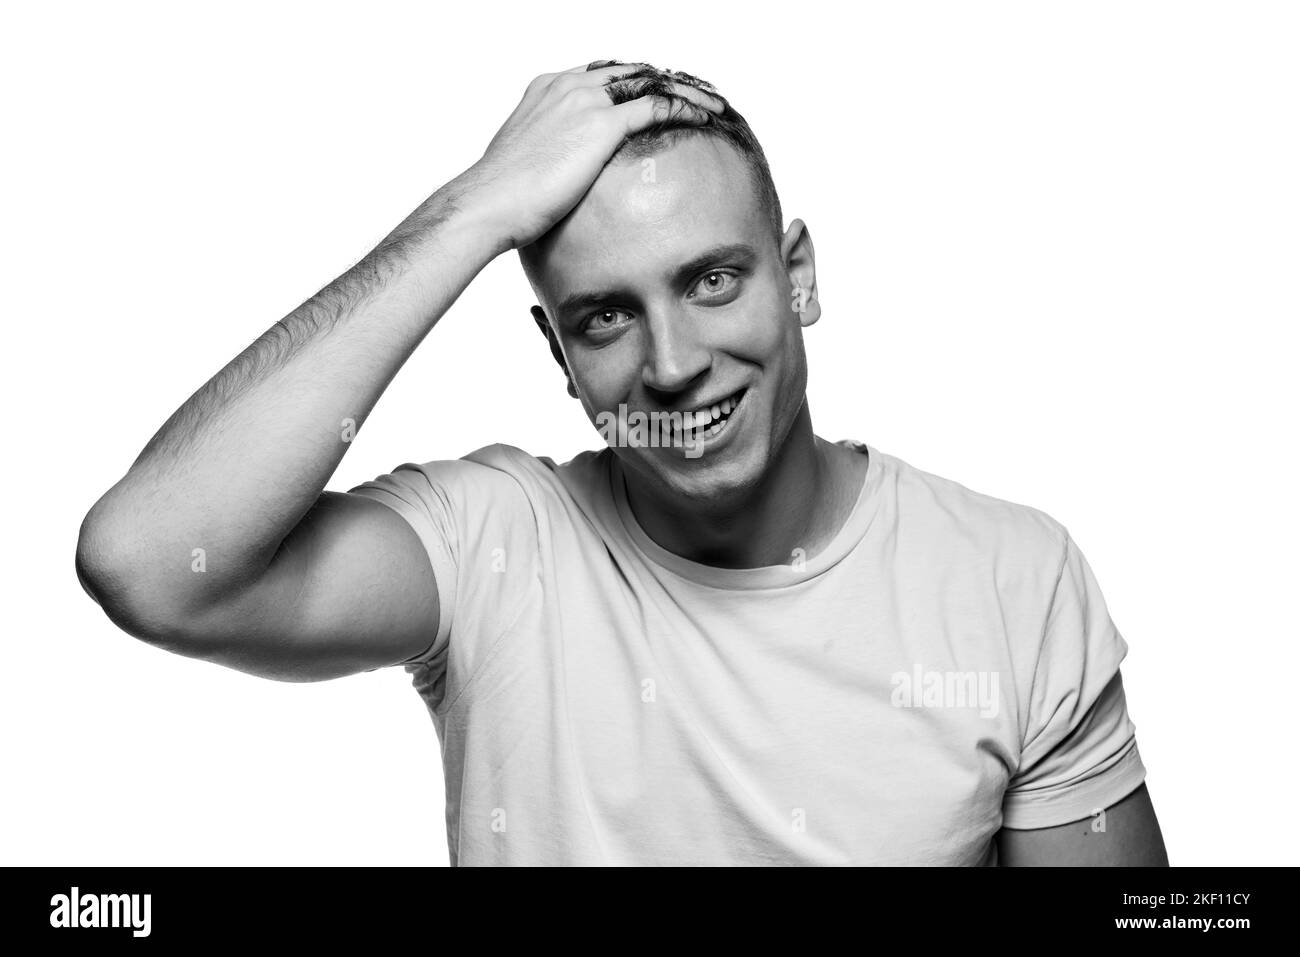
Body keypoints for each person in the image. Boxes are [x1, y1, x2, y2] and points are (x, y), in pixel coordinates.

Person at [75, 60, 1168, 866]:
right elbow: (148, 564)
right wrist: (473, 211)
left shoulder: (1013, 580)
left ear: (798, 278)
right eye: (604, 317)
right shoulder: (496, 545)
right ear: (558, 356)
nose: (674, 365)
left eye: (711, 281)